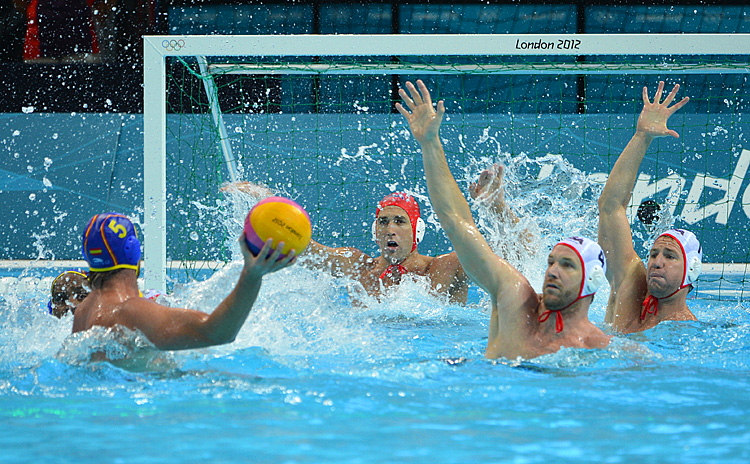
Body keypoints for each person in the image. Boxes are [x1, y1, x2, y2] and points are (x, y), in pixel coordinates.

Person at [396, 79, 611, 359]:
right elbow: (457, 224)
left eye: (567, 265)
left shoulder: (600, 346)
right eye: (551, 262)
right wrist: (430, 144)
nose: (552, 271)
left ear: (592, 279)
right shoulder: (515, 300)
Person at [224, 165, 520, 305]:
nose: (390, 228)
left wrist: (497, 208)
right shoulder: (357, 266)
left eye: (400, 222)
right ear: (375, 232)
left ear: (417, 231)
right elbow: (307, 249)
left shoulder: (444, 267)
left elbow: (514, 254)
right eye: (383, 222)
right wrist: (269, 207)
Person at [72, 213, 296, 350]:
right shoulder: (130, 310)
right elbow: (217, 334)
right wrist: (251, 275)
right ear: (133, 251)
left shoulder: (83, 311)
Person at [597, 81, 700, 333]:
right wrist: (642, 136)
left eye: (670, 256)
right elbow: (610, 206)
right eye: (654, 254)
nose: (656, 262)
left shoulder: (686, 330)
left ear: (691, 270)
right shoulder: (631, 286)